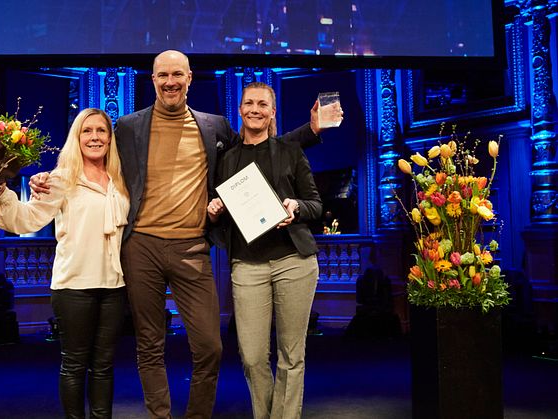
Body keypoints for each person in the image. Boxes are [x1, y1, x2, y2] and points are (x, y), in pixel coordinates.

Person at [30, 50, 337, 419]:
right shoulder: (127, 126)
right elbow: (89, 153)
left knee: (211, 346)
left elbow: (263, 147)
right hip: (141, 246)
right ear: (153, 79)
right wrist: (51, 177)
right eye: (163, 75)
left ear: (190, 78)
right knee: (149, 344)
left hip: (192, 247)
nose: (170, 81)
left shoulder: (215, 127)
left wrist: (313, 130)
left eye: (178, 74)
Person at [0, 108, 129, 419]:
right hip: (73, 286)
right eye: (87, 131)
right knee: (75, 364)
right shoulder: (61, 180)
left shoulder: (122, 181)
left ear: (110, 138)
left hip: (114, 287)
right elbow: (27, 218)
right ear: (77, 138)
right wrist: (1, 193)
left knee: (104, 365)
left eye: (101, 131)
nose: (95, 137)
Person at [206, 82, 322, 419]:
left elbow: (315, 204)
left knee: (291, 355)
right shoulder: (226, 159)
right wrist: (214, 210)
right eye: (248, 103)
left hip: (294, 262)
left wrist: (296, 207)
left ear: (272, 112)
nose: (254, 109)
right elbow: (218, 210)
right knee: (253, 356)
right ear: (240, 110)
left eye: (262, 104)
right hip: (247, 266)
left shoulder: (289, 150)